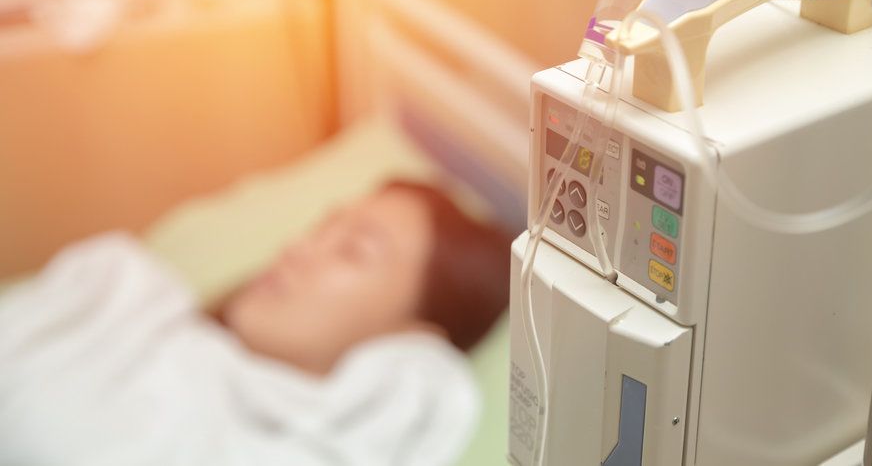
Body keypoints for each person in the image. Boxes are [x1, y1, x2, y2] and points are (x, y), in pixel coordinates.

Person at [0, 181, 512, 466]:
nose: (298, 249)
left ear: (412, 340)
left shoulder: (319, 447)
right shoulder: (120, 303)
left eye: (353, 250)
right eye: (321, 228)